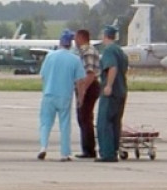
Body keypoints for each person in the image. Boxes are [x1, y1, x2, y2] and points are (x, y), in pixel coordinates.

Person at [37, 31, 85, 161]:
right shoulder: (75, 59)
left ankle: (43, 147)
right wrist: (80, 97)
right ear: (70, 44)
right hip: (65, 95)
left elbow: (43, 76)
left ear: (60, 42)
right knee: (65, 125)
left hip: (49, 93)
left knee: (45, 123)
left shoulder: (50, 56)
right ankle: (65, 153)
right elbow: (80, 81)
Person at [96, 25, 129, 162]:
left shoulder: (109, 50)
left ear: (105, 35)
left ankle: (107, 153)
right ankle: (113, 150)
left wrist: (108, 85)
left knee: (104, 122)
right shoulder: (120, 51)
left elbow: (112, 67)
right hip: (121, 90)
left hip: (111, 92)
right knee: (116, 122)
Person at [74, 29, 101, 159]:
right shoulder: (87, 51)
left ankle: (89, 150)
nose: (75, 41)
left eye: (76, 38)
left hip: (89, 87)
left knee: (84, 118)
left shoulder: (87, 52)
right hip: (88, 86)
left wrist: (82, 92)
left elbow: (90, 74)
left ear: (81, 38)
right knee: (84, 118)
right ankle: (88, 148)